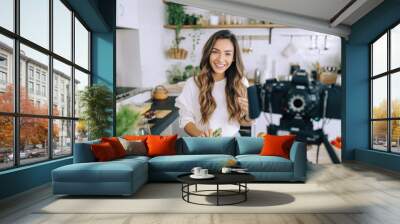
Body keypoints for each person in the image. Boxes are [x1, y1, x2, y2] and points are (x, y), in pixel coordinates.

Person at [175, 30, 251, 137]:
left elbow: (244, 122)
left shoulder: (241, 82)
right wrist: (200, 135)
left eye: (227, 54)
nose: (221, 59)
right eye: (215, 52)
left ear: (233, 58)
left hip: (232, 143)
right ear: (208, 53)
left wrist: (249, 113)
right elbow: (186, 119)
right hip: (202, 144)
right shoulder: (192, 84)